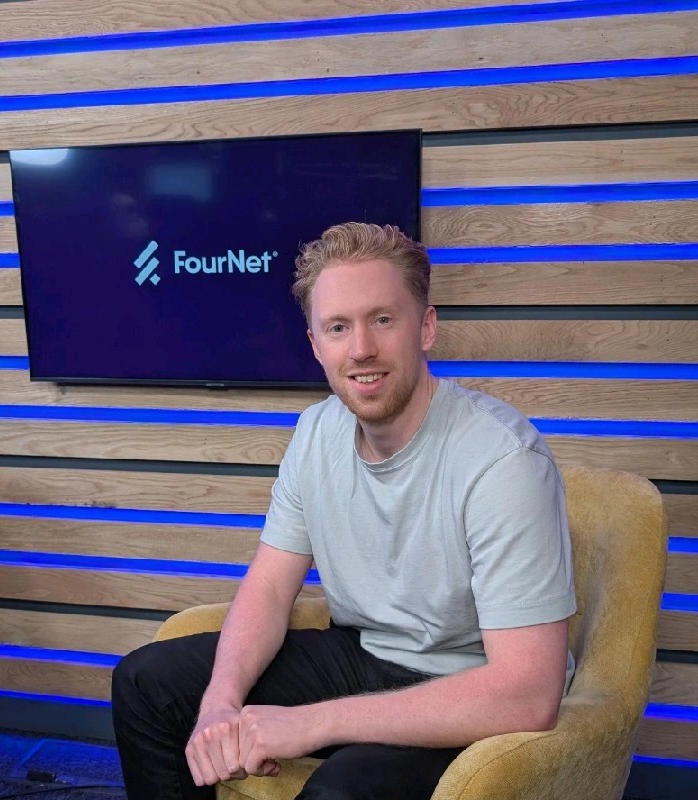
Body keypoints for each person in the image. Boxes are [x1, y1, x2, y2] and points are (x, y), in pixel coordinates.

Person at [112, 222, 577, 800]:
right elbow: (269, 588)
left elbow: (529, 692)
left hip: (467, 682)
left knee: (341, 792)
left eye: (382, 319)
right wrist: (220, 704)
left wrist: (313, 723)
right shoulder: (315, 433)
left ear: (425, 327)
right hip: (362, 655)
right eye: (338, 327)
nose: (361, 349)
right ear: (315, 344)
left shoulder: (503, 460)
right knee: (147, 685)